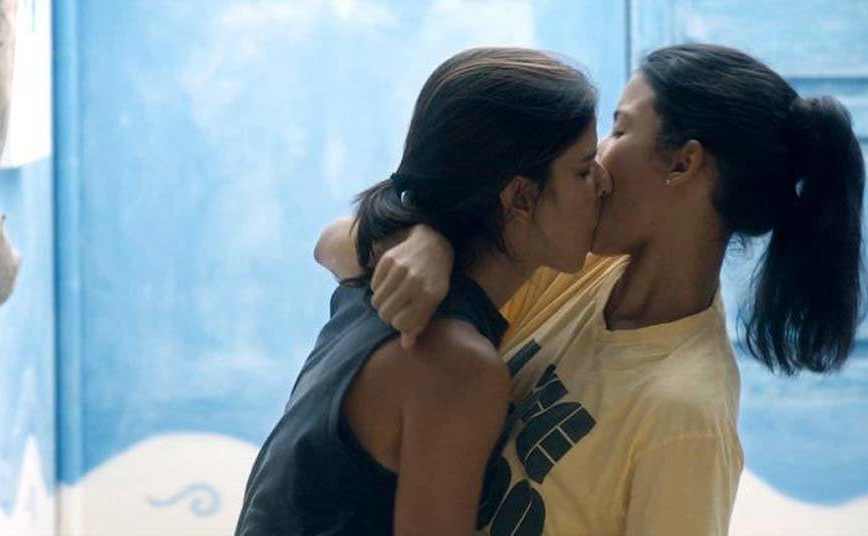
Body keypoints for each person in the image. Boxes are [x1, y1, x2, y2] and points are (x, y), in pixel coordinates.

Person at [317, 43, 867, 535]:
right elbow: (335, 242)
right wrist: (426, 238)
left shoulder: (685, 415)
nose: (598, 161)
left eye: (620, 131)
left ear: (683, 163)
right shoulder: (574, 271)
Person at [236, 46, 611, 535]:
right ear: (519, 198)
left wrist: (424, 237)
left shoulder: (375, 278)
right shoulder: (458, 365)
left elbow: (334, 240)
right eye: (583, 169)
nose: (604, 182)